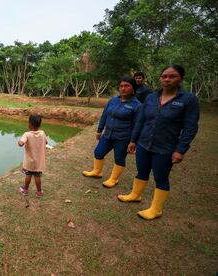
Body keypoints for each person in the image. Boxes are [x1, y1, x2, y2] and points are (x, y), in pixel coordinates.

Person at [118, 65, 200, 220]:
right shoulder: (151, 97)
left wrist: (180, 150)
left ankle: (156, 209)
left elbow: (190, 128)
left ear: (181, 79)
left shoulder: (188, 100)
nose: (167, 79)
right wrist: (133, 140)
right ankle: (135, 195)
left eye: (172, 76)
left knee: (161, 177)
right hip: (143, 143)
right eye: (164, 76)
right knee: (141, 171)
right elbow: (141, 120)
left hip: (165, 147)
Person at [83, 77, 142, 188]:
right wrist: (99, 130)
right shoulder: (113, 100)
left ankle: (114, 179)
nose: (123, 88)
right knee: (98, 152)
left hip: (123, 137)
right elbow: (105, 114)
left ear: (133, 88)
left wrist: (133, 141)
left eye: (127, 86)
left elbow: (138, 125)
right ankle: (97, 172)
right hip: (108, 134)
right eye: (121, 86)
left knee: (119, 158)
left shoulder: (137, 105)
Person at [18, 114, 48, 197]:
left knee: (28, 175)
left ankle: (25, 190)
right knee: (37, 176)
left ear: (29, 124)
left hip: (29, 162)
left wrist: (20, 142)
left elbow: (21, 143)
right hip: (39, 162)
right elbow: (46, 142)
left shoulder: (26, 134)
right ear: (40, 125)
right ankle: (39, 192)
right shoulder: (42, 133)